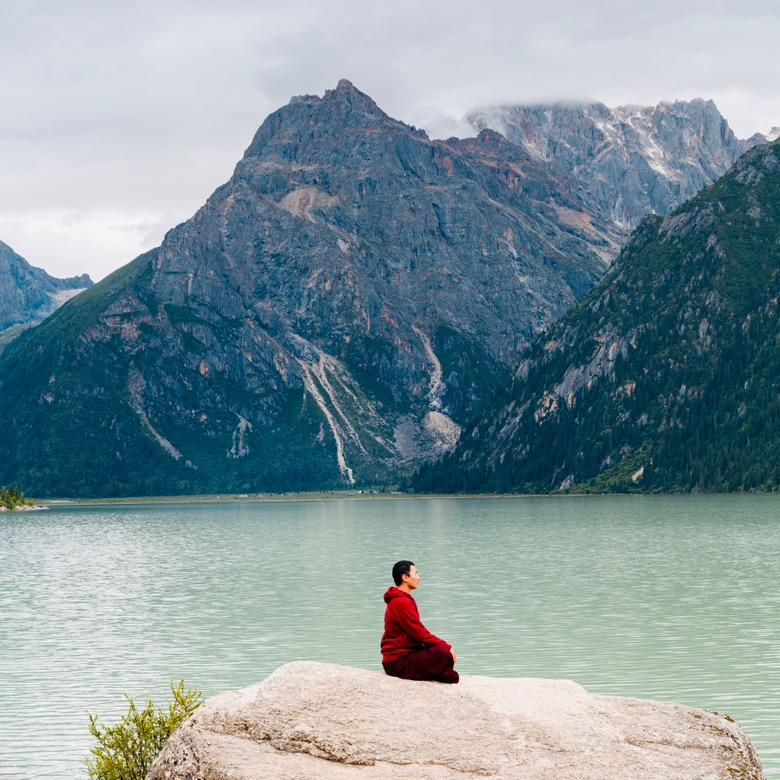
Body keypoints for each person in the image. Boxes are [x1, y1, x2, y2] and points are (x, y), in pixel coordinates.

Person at [381, 560, 459, 684]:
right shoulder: (401, 602)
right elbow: (419, 633)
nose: (419, 577)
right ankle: (443, 672)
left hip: (405, 655)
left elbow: (417, 634)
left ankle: (442, 672)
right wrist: (446, 646)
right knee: (443, 653)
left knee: (439, 652)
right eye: (416, 573)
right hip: (398, 662)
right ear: (405, 577)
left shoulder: (403, 599)